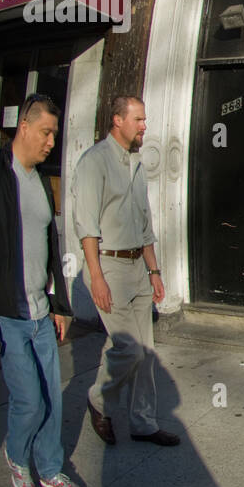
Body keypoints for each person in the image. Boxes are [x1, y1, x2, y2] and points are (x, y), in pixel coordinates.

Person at [0, 93, 85, 487]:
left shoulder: (42, 182)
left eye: (55, 134)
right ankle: (17, 456)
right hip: (8, 317)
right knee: (29, 401)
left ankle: (50, 469)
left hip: (41, 313)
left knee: (52, 401)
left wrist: (62, 306)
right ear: (24, 128)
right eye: (46, 133)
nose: (51, 142)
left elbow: (51, 243)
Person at [72, 95, 178, 446]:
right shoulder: (94, 162)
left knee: (145, 352)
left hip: (137, 267)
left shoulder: (135, 163)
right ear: (117, 120)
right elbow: (86, 227)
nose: (144, 126)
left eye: (145, 120)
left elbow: (143, 223)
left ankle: (143, 423)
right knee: (128, 349)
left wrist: (155, 270)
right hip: (109, 267)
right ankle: (98, 400)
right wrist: (97, 276)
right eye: (139, 120)